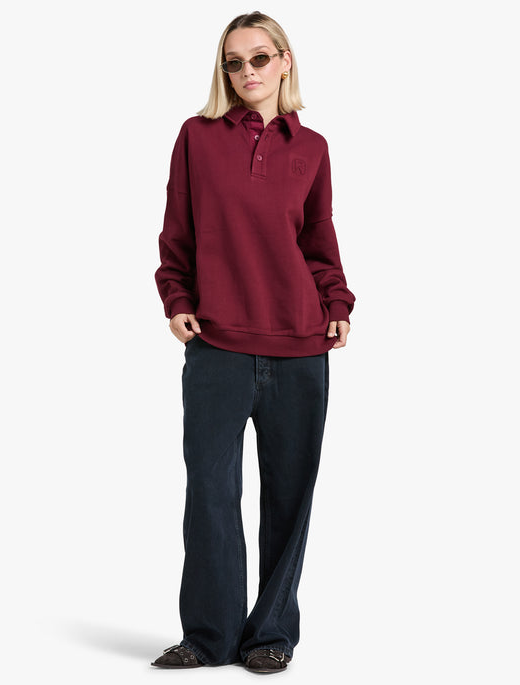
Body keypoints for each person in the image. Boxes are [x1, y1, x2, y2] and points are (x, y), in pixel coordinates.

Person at [151, 11, 356, 674]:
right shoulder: (197, 136)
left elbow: (318, 240)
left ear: (285, 61)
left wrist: (337, 303)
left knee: (289, 500)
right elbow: (176, 232)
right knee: (210, 496)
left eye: (260, 58)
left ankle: (270, 634)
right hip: (217, 345)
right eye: (234, 62)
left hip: (301, 345)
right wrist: (177, 298)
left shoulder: (311, 147)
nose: (247, 72)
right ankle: (209, 636)